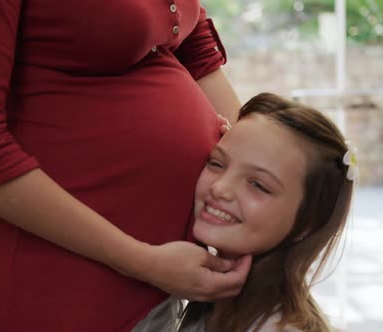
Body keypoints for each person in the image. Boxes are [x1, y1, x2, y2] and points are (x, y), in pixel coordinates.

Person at [0, 0, 252, 331]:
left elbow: (193, 46)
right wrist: (146, 262)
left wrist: (265, 173)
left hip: (161, 287)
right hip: (59, 291)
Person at [133, 92, 357, 332]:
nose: (220, 188)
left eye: (258, 184)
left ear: (307, 223)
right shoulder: (215, 304)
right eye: (217, 163)